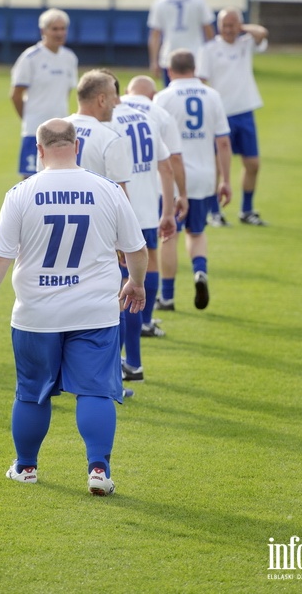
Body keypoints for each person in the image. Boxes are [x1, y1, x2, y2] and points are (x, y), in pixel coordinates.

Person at [0, 118, 148, 496]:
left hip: (37, 312)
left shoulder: (21, 192)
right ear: (76, 145)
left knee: (32, 392)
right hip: (95, 311)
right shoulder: (108, 190)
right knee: (96, 391)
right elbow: (136, 248)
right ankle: (98, 470)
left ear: (39, 150)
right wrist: (137, 282)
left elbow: (0, 256)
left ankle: (26, 467)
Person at [109, 75, 176, 383]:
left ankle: (116, 362)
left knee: (120, 288)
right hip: (148, 209)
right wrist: (168, 209)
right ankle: (133, 361)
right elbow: (166, 165)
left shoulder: (107, 123)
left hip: (122, 212)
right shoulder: (146, 117)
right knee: (140, 277)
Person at [154, 49, 231, 310]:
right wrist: (226, 180)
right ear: (195, 69)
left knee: (168, 235)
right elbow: (222, 141)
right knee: (196, 232)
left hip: (173, 178)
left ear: (169, 70)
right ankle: (200, 271)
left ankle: (167, 296)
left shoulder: (163, 97)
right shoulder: (212, 96)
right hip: (204, 176)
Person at [122, 75, 188, 312]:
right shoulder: (158, 114)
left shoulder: (112, 111)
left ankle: (117, 334)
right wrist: (180, 196)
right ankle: (147, 319)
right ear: (152, 95)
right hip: (148, 201)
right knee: (150, 255)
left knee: (118, 267)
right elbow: (172, 161)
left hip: (116, 199)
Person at [198, 8, 269, 226]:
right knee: (218, 165)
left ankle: (246, 210)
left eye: (233, 25)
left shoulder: (245, 44)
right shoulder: (209, 49)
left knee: (253, 164)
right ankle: (214, 211)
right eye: (225, 25)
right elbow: (202, 81)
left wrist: (242, 28)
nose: (229, 30)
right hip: (221, 115)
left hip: (245, 111)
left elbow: (262, 33)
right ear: (219, 26)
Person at [10, 8, 78, 178]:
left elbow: (67, 92)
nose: (60, 33)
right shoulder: (30, 58)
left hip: (62, 131)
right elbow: (16, 94)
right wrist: (28, 118)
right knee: (30, 180)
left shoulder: (70, 58)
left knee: (62, 179)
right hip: (35, 130)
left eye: (63, 28)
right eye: (55, 29)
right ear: (43, 31)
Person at [147, 0, 214, 86]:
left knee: (171, 94)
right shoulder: (199, 0)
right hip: (195, 56)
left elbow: (155, 35)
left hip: (170, 56)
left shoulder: (160, 2)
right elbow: (209, 30)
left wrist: (154, 61)